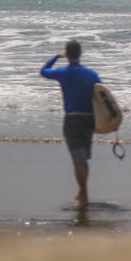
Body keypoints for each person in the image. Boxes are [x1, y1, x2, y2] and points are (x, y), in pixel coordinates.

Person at [40, 40, 102, 208]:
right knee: (84, 160)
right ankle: (82, 192)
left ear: (67, 54)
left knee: (78, 160)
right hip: (89, 119)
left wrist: (55, 57)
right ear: (80, 53)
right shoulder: (92, 74)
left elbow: (43, 72)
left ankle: (84, 196)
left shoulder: (62, 73)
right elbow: (102, 97)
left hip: (72, 120)